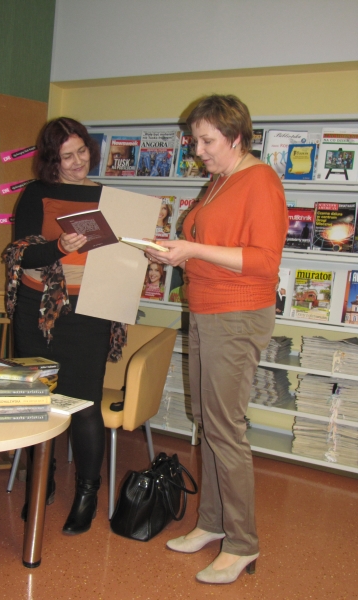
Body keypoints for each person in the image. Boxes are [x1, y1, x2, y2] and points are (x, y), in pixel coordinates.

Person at [145, 94, 287, 584]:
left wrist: (192, 249)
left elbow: (264, 261)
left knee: (226, 429)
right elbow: (208, 245)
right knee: (208, 423)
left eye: (207, 141)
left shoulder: (260, 180)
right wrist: (176, 252)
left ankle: (242, 543)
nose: (197, 149)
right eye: (195, 140)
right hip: (206, 309)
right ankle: (212, 522)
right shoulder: (219, 181)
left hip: (237, 313)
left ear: (236, 137)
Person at [2, 117, 126, 536]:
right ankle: (44, 479)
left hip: (91, 309)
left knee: (85, 404)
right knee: (36, 400)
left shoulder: (110, 197)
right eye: (65, 156)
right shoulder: (37, 193)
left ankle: (88, 494)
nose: (76, 163)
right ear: (51, 160)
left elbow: (122, 258)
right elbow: (21, 256)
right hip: (37, 309)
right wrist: (58, 246)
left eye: (81, 152)